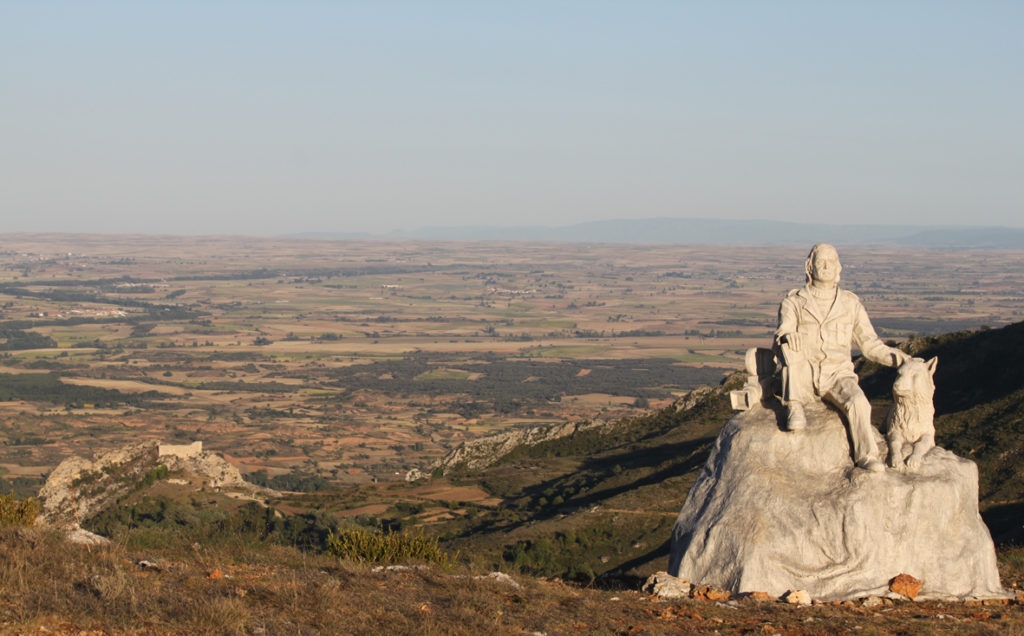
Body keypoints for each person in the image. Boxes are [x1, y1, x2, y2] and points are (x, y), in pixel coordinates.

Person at [774, 243, 908, 472]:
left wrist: (901, 359)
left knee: (859, 403)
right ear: (809, 267)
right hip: (804, 373)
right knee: (791, 345)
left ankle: (867, 456)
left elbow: (870, 345)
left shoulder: (850, 304)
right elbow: (782, 332)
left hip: (838, 374)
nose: (826, 267)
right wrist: (788, 336)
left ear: (839, 268)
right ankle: (794, 406)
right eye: (820, 262)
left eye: (831, 262)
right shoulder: (793, 302)